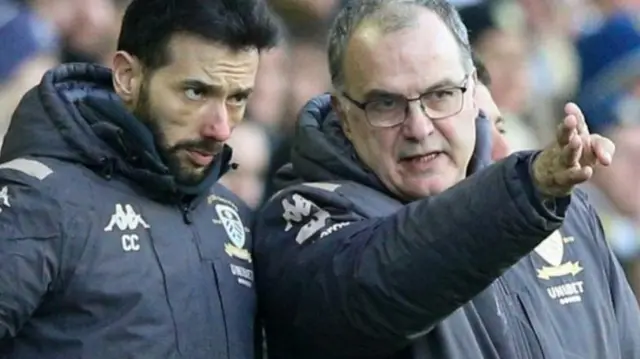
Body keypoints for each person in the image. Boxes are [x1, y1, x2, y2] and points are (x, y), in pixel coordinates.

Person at [253, 0, 638, 358]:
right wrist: (526, 192)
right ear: (345, 115)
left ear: (473, 91)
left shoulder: (560, 210)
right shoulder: (302, 220)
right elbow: (372, 290)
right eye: (386, 103)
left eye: (440, 95)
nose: (419, 128)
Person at [0, 0, 278, 357]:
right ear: (128, 77)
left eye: (238, 98)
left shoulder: (234, 218)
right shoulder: (37, 204)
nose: (221, 128)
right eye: (195, 92)